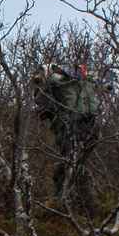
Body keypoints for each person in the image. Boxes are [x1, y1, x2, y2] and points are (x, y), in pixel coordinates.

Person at [34, 63, 100, 207]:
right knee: (76, 163)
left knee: (69, 163)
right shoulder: (84, 82)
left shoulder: (56, 83)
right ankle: (84, 204)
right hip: (91, 127)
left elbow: (41, 109)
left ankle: (64, 201)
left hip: (70, 127)